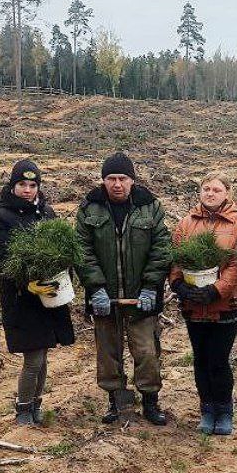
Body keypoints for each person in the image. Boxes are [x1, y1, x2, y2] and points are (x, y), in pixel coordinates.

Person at [75, 152, 172, 425]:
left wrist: (151, 287)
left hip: (141, 298)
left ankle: (151, 402)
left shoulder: (150, 206)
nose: (117, 184)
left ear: (132, 180)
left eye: (122, 178)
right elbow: (82, 251)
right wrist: (96, 288)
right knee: (108, 353)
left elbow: (161, 248)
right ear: (103, 180)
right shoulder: (89, 208)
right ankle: (115, 402)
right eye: (111, 178)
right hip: (105, 299)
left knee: (147, 352)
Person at [0, 159, 76, 426]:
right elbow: (3, 261)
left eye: (32, 185)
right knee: (34, 357)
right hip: (21, 298)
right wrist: (28, 284)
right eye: (22, 184)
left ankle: (37, 405)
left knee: (44, 353)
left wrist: (64, 275)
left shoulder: (47, 213)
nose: (27, 190)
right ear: (12, 186)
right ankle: (23, 408)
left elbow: (62, 251)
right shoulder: (0, 219)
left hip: (49, 296)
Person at [170, 173, 237, 436]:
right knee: (201, 358)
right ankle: (207, 409)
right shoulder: (186, 223)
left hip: (227, 304)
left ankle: (224, 410)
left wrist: (216, 291)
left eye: (216, 189)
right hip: (193, 303)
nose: (210, 193)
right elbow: (176, 258)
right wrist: (178, 284)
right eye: (206, 189)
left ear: (227, 193)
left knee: (218, 358)